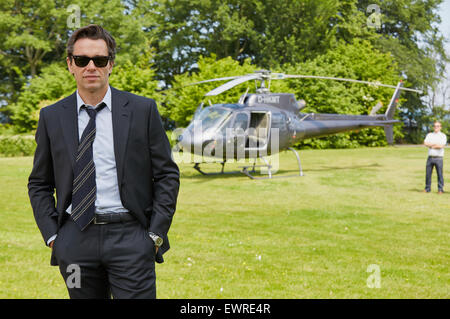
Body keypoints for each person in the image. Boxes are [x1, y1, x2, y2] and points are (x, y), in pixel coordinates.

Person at [28, 24, 180, 299]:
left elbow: (167, 175)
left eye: (99, 60)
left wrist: (155, 235)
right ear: (70, 64)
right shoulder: (51, 117)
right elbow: (39, 182)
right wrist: (53, 237)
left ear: (110, 64)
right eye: (81, 60)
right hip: (74, 240)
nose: (90, 66)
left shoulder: (142, 110)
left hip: (131, 239)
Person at [423, 121, 447, 194]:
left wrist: (431, 145)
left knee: (440, 174)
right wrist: (434, 145)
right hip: (430, 157)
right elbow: (425, 143)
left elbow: (441, 146)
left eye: (438, 126)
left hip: (439, 158)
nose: (436, 127)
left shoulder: (443, 136)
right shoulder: (430, 135)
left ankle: (440, 189)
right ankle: (427, 188)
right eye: (435, 126)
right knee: (428, 174)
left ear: (440, 127)